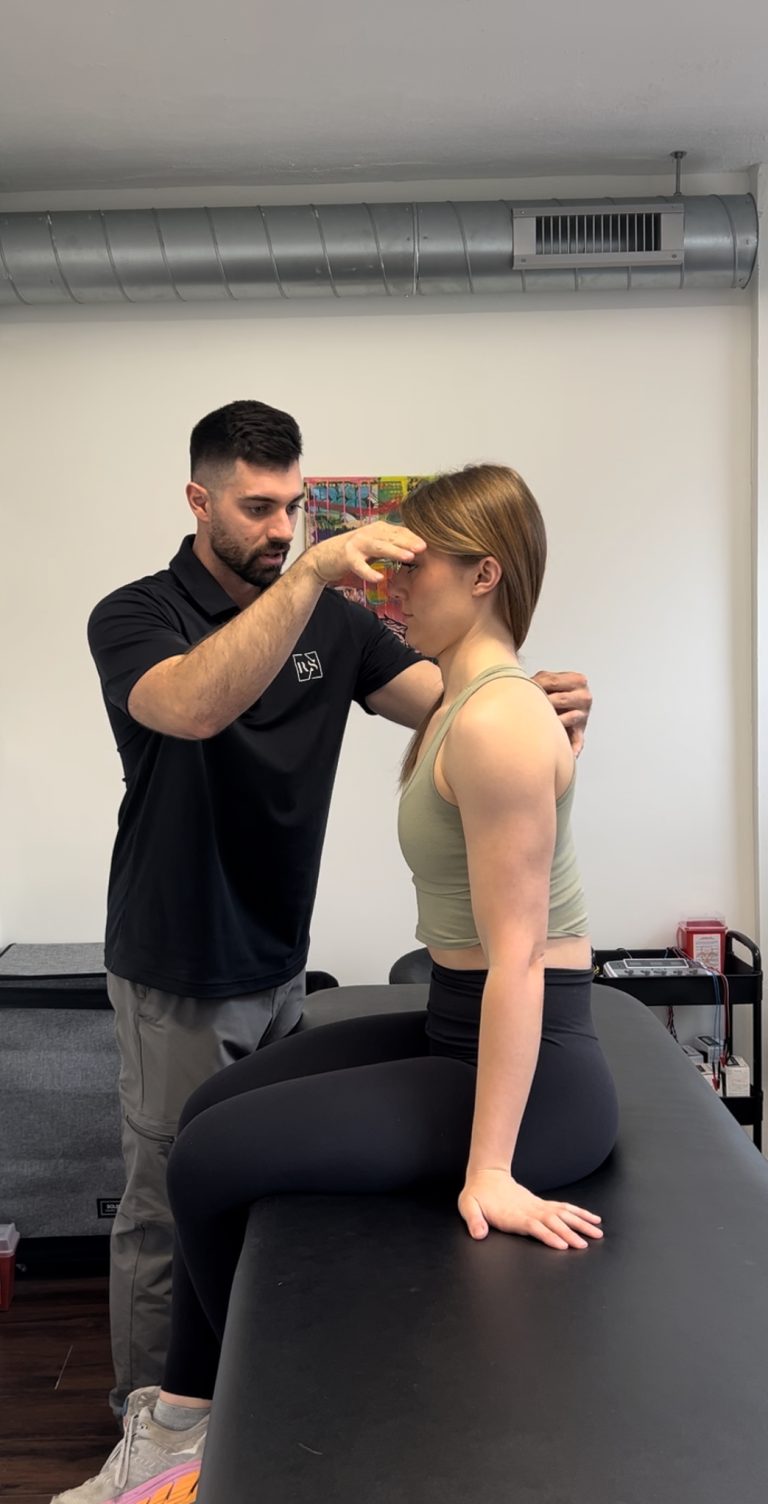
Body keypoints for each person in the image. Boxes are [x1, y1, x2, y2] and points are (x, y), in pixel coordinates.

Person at [56, 462, 615, 1504]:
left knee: (213, 1156)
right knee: (211, 1112)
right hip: (411, 1012)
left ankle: (216, 1439)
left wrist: (490, 1168)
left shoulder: (493, 718)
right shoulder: (468, 698)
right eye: (385, 567)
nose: (391, 592)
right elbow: (195, 702)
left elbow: (524, 961)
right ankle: (182, 1422)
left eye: (417, 567)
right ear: (202, 500)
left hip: (543, 1074)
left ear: (485, 573)